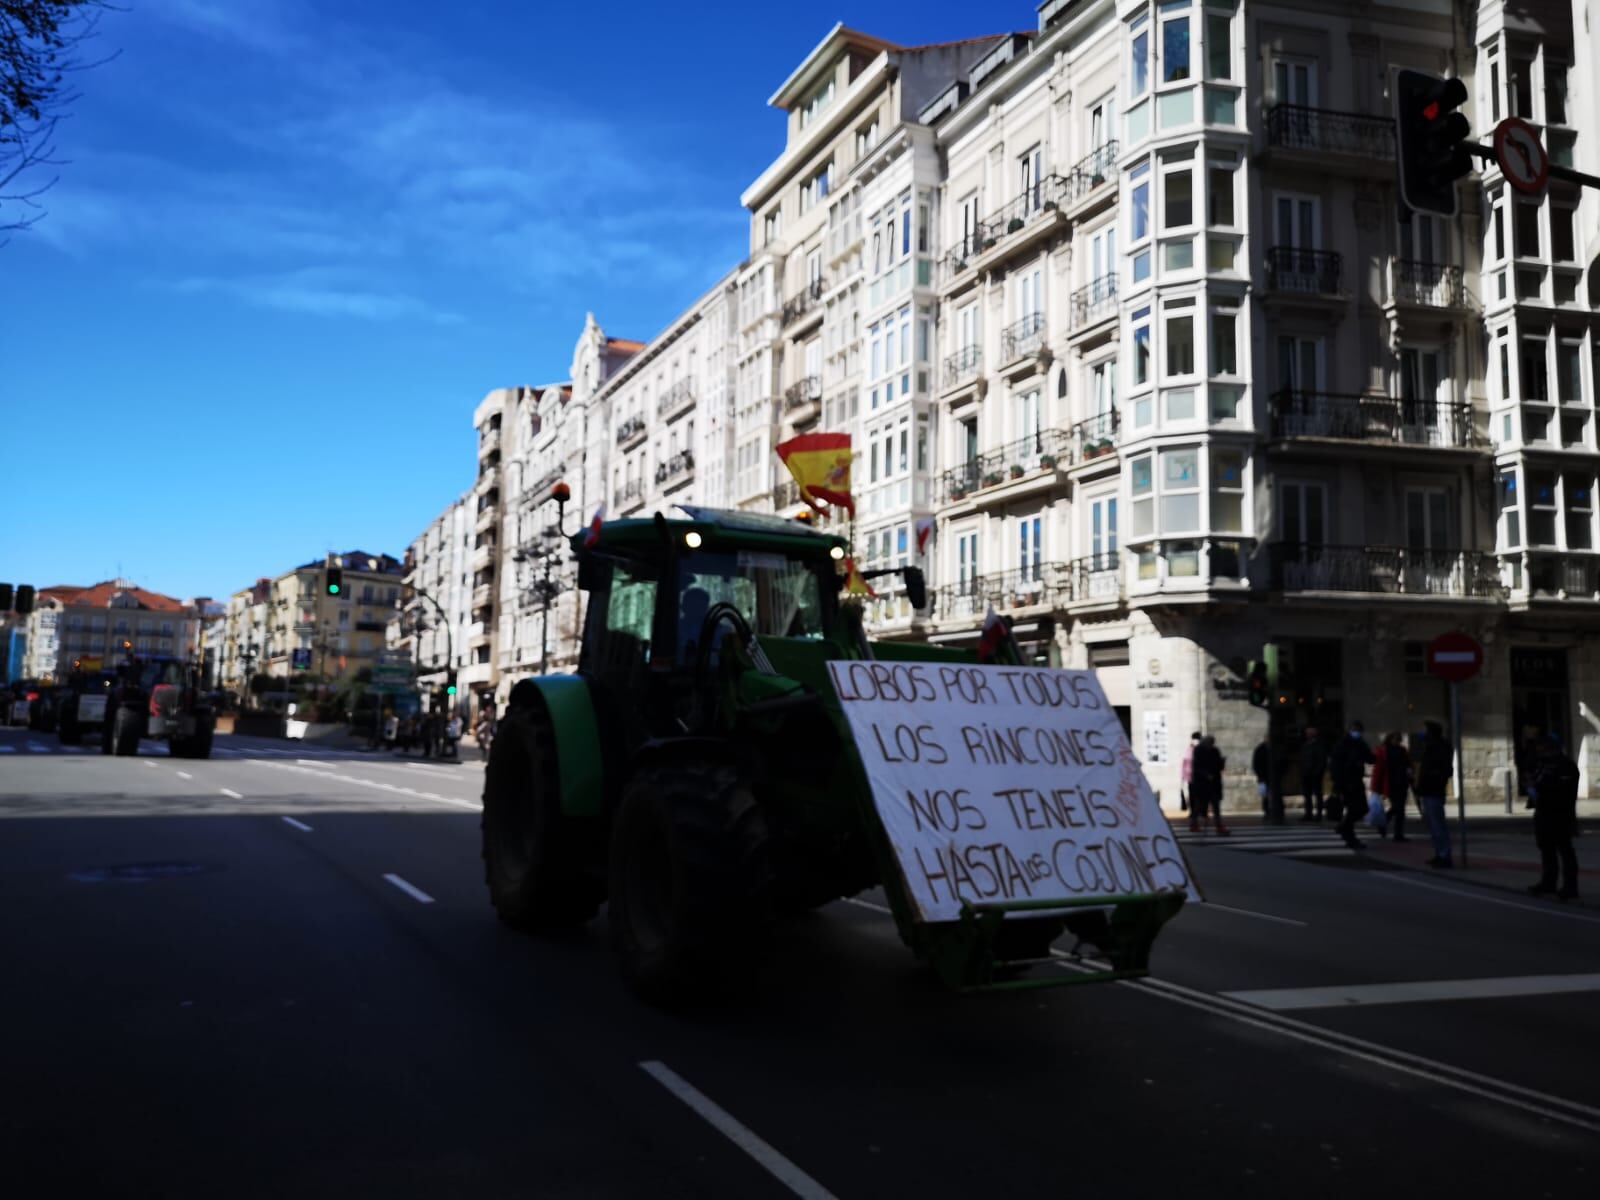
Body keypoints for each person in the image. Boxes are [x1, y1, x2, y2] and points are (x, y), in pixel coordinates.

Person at [1527, 733, 1581, 901]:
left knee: (1565, 851)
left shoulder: (1565, 766)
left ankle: (1570, 887)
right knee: (1546, 850)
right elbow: (1537, 782)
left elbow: (1561, 790)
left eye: (1544, 747)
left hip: (1560, 814)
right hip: (1543, 812)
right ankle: (1548, 882)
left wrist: (1538, 789)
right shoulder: (1543, 764)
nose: (1540, 750)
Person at [1329, 720, 1376, 849]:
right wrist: (1338, 784)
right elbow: (1336, 766)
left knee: (1361, 809)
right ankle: (1349, 837)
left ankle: (1344, 828)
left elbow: (1370, 758)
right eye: (1354, 730)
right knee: (1354, 808)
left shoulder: (1360, 744)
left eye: (1358, 731)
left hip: (1356, 780)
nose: (1356, 733)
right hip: (1346, 782)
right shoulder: (1342, 745)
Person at [1414, 720, 1453, 867]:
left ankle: (1444, 856)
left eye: (1424, 730)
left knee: (1438, 825)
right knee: (1432, 825)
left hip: (1434, 791)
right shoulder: (1430, 747)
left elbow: (1445, 771)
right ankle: (1439, 854)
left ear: (1431, 733)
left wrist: (1431, 778)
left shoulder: (1440, 747)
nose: (1421, 733)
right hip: (1427, 791)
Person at [1191, 734, 1229, 835]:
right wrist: (1205, 774)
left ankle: (1219, 826)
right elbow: (1197, 766)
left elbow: (1218, 766)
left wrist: (1222, 762)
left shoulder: (1215, 751)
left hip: (1214, 783)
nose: (1211, 745)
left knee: (1216, 805)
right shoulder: (1198, 750)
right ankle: (1194, 823)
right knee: (1199, 805)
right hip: (1202, 783)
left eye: (1212, 743)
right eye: (1209, 742)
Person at [1378, 730, 1412, 841]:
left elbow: (1408, 764)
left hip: (1402, 782)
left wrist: (1409, 773)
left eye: (1399, 739)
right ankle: (1394, 831)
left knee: (1398, 809)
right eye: (1396, 739)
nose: (1397, 741)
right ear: (1391, 739)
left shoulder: (1402, 750)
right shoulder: (1385, 751)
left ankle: (1394, 831)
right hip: (1391, 783)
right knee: (1398, 809)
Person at [1300, 727, 1327, 821]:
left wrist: (1317, 772)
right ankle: (1308, 813)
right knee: (1307, 794)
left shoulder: (1319, 745)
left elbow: (1321, 760)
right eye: (1306, 733)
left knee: (1318, 794)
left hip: (1315, 774)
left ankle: (1319, 813)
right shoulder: (1305, 745)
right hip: (1306, 773)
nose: (1307, 734)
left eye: (1309, 733)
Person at [1182, 731, 1200, 831]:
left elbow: (1185, 763)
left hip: (1193, 777)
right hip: (1192, 777)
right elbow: (1185, 763)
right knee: (1193, 798)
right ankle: (1194, 817)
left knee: (1195, 798)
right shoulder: (1190, 749)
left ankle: (1194, 816)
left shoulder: (1193, 749)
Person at [1251, 737, 1273, 820]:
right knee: (1265, 795)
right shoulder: (1260, 749)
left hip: (1273, 776)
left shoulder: (1275, 748)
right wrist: (1259, 775)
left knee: (1274, 794)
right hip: (1263, 776)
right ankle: (1267, 812)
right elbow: (1256, 764)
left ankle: (1274, 811)